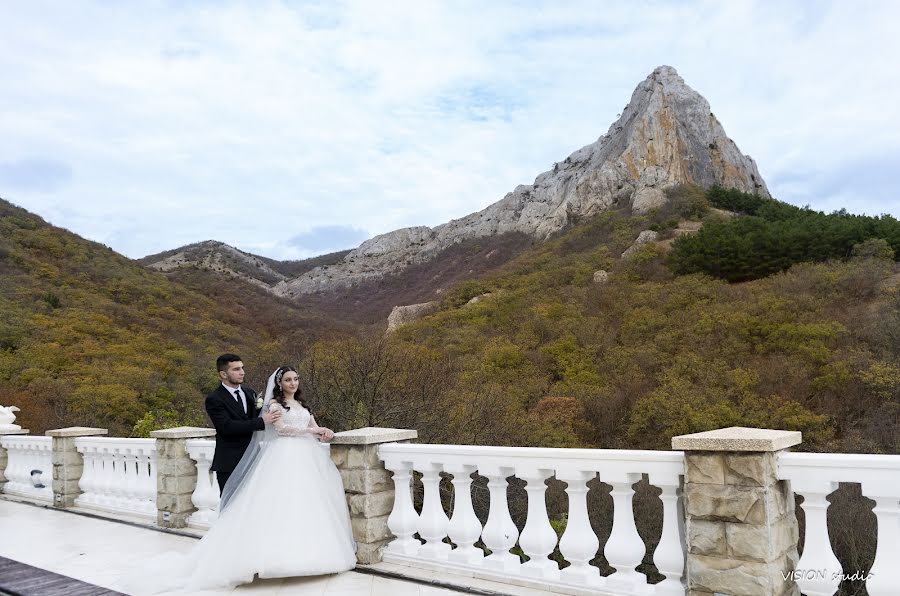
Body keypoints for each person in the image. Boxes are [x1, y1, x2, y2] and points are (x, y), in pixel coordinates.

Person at [126, 365, 356, 594]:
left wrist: (324, 431)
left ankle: (315, 555)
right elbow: (283, 429)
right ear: (279, 383)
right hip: (284, 456)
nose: (293, 383)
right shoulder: (276, 404)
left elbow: (312, 426)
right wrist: (311, 433)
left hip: (308, 458)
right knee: (280, 504)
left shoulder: (302, 404)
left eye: (296, 379)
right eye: (288, 380)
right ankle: (271, 558)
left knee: (308, 504)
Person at [205, 353, 280, 494]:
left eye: (242, 368)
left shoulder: (249, 393)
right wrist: (261, 422)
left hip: (253, 459)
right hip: (229, 462)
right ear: (223, 374)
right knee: (230, 506)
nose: (242, 372)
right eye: (236, 369)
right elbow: (226, 427)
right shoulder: (214, 399)